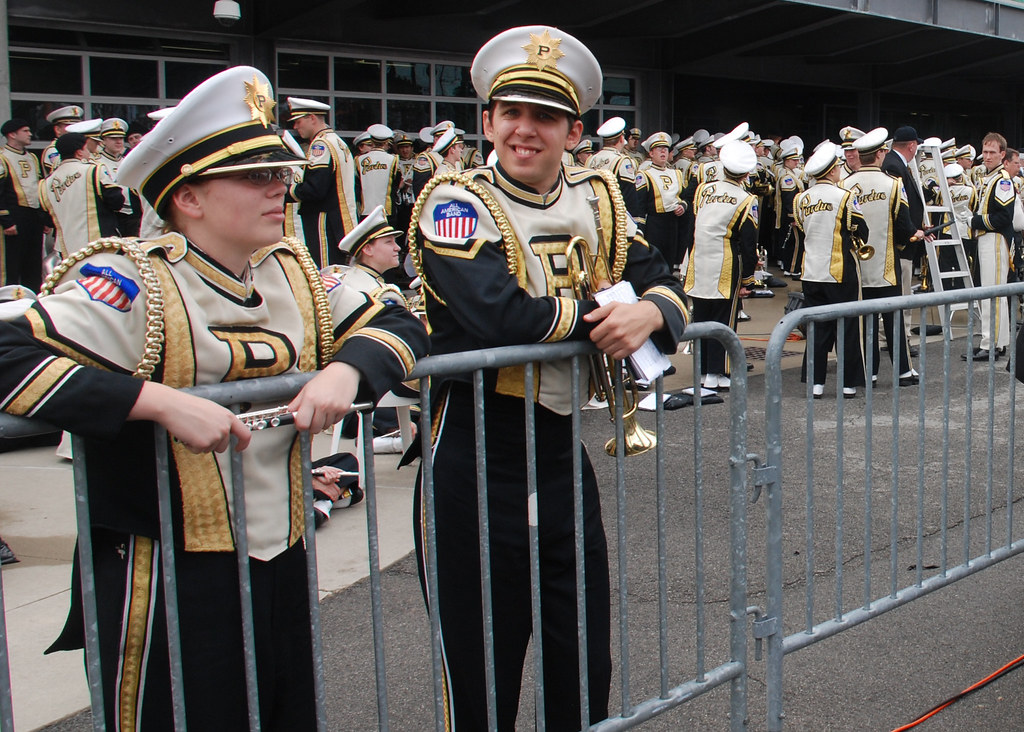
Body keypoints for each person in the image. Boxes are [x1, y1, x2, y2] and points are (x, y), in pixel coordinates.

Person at [0, 66, 428, 730]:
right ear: (190, 198)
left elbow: (399, 322)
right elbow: (7, 353)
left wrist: (345, 372)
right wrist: (156, 401)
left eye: (280, 176)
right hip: (167, 572)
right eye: (256, 177)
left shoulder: (292, 272)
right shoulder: (129, 278)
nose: (279, 190)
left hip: (280, 560)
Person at [410, 25, 687, 730]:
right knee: (482, 662)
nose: (524, 131)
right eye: (511, 114)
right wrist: (608, 314)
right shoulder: (454, 203)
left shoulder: (599, 199)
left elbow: (661, 279)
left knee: (581, 644)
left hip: (559, 444)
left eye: (544, 117)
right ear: (488, 120)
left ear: (573, 128)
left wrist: (652, 312)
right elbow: (496, 315)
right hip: (474, 449)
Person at [841, 127, 922, 385]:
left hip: (857, 266)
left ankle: (869, 372)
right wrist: (914, 235)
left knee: (865, 323)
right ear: (880, 154)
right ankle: (903, 371)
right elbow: (903, 226)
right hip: (886, 265)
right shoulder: (893, 185)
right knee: (893, 319)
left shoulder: (843, 186)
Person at [793, 142, 868, 398]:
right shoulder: (844, 196)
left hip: (811, 271)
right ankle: (848, 383)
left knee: (817, 327)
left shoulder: (801, 198)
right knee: (847, 326)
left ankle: (816, 383)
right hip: (840, 270)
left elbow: (803, 230)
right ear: (833, 170)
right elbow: (861, 229)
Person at [684, 140, 759, 391]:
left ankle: (704, 370)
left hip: (699, 260)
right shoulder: (747, 199)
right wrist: (748, 279)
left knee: (702, 317)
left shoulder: (703, 190)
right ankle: (719, 371)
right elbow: (749, 243)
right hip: (725, 263)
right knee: (724, 320)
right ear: (746, 173)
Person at [286, 96, 359, 268]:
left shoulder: (321, 145)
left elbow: (315, 189)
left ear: (311, 118)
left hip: (324, 223)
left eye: (297, 121)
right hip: (340, 221)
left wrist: (286, 191)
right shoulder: (337, 141)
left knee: (325, 274)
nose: (295, 127)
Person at [966, 131, 1015, 360]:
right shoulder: (989, 177)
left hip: (995, 239)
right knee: (991, 293)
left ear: (1002, 154)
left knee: (992, 294)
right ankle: (995, 341)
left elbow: (1004, 217)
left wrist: (975, 221)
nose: (987, 156)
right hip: (986, 239)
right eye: (984, 151)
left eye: (992, 152)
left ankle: (991, 344)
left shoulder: (1002, 180)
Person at [38, 133, 125, 257]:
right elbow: (117, 202)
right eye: (86, 149)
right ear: (79, 152)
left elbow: (48, 220)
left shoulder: (45, 183)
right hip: (100, 246)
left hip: (67, 251)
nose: (88, 152)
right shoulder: (93, 170)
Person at [0, 118, 47, 288]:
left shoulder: (33, 157)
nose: (30, 134)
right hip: (14, 216)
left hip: (33, 216)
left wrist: (44, 218)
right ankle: (8, 302)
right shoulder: (2, 157)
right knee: (12, 263)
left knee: (34, 262)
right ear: (12, 134)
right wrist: (6, 221)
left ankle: (33, 298)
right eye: (25, 131)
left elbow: (39, 188)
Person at [41, 105, 84, 174]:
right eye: (69, 126)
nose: (74, 129)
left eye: (77, 126)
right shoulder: (53, 150)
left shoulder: (82, 147)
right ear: (57, 130)